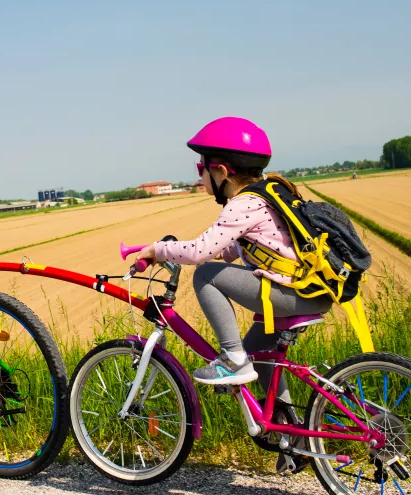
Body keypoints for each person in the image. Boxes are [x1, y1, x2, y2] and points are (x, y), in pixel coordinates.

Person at [134, 117, 332, 440]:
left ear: (222, 172)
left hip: (290, 294)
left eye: (202, 167)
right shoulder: (263, 196)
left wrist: (159, 249)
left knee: (205, 275)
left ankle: (232, 359)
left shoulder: (242, 204)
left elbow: (201, 254)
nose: (199, 175)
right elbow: (226, 250)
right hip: (306, 290)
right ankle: (293, 438)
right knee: (261, 356)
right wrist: (175, 250)